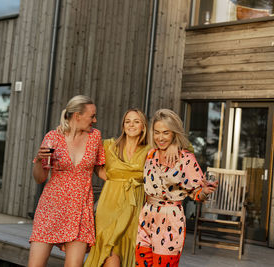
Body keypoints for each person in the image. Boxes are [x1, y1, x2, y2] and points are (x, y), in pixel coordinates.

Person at [85, 109, 178, 267]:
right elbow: (88, 153)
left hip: (134, 207)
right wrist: (112, 176)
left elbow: (180, 150)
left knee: (123, 251)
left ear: (143, 126)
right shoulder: (108, 145)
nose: (131, 125)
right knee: (109, 250)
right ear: (123, 125)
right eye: (128, 121)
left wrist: (173, 146)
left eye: (136, 121)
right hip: (109, 205)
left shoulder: (150, 150)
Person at [28, 95, 105, 267]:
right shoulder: (53, 137)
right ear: (77, 116)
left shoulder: (95, 137)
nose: (95, 119)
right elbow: (40, 178)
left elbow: (101, 169)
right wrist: (40, 160)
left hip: (80, 209)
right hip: (51, 207)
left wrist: (128, 176)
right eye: (92, 116)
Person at [135, 109, 218, 267]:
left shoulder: (186, 158)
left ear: (174, 133)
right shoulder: (151, 154)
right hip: (146, 216)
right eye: (157, 132)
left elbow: (197, 194)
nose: (160, 137)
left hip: (170, 219)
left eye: (166, 133)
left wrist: (205, 192)